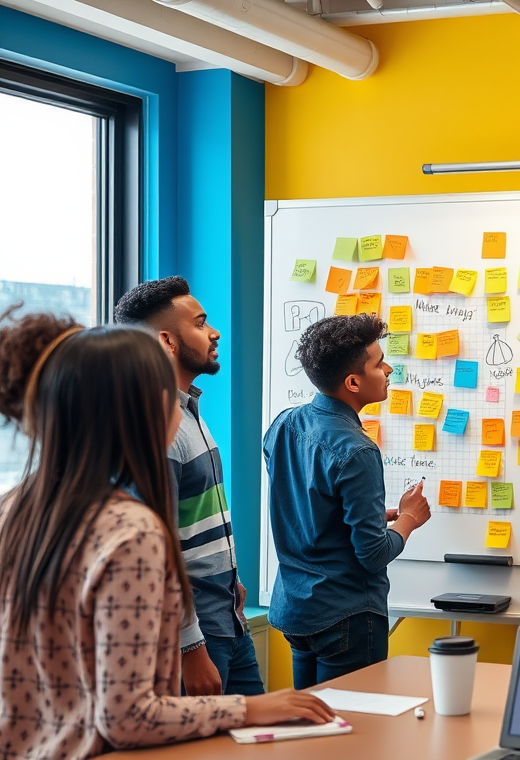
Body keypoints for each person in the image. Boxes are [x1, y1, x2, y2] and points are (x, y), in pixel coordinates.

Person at [0, 308, 334, 759]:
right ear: (150, 406)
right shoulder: (132, 533)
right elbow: (127, 718)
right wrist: (250, 709)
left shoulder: (14, 506)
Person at [263, 313, 431, 688]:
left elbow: (307, 502)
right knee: (353, 736)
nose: (388, 369)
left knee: (311, 731)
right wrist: (408, 519)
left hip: (296, 608)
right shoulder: (357, 451)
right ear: (353, 382)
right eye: (378, 362)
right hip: (345, 616)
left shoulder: (284, 424)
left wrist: (369, 515)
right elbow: (371, 554)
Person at [114, 277, 263, 697]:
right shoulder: (157, 428)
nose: (214, 332)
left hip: (226, 615)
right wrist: (190, 645)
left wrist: (228, 576)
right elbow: (156, 550)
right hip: (195, 635)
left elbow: (193, 520)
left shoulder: (189, 410)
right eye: (200, 323)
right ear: (167, 340)